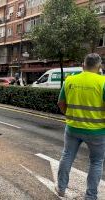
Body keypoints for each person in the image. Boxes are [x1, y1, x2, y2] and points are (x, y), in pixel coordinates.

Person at [56, 53, 105, 199]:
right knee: (96, 162)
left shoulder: (70, 80)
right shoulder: (103, 82)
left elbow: (61, 103)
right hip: (97, 131)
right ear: (99, 66)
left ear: (83, 65)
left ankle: (61, 188)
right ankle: (90, 196)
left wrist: (69, 115)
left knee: (67, 156)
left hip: (72, 128)